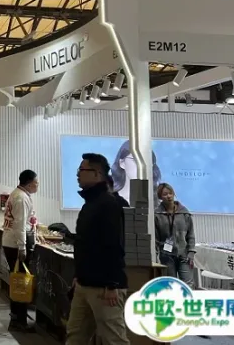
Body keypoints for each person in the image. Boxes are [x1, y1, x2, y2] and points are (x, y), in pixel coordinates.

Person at [66, 153, 128, 345]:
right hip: (84, 283)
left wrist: (112, 284)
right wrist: (78, 275)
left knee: (113, 339)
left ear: (97, 174)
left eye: (82, 170)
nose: (78, 174)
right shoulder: (90, 204)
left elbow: (114, 245)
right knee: (75, 336)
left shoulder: (109, 204)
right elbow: (85, 243)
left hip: (104, 288)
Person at [1, 170, 39, 333]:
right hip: (15, 245)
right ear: (29, 183)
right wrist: (22, 247)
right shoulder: (21, 198)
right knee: (21, 283)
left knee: (17, 280)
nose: (37, 185)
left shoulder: (17, 194)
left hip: (11, 242)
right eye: (36, 182)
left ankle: (17, 318)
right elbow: (20, 225)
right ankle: (19, 320)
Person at [154, 183, 196, 286]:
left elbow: (190, 234)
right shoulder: (157, 215)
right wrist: (155, 255)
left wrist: (191, 252)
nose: (168, 196)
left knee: (188, 284)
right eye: (165, 194)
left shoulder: (184, 213)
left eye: (170, 193)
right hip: (166, 255)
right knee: (170, 285)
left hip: (184, 254)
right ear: (160, 197)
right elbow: (155, 237)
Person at [110, 140, 160, 205]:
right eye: (135, 160)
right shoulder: (108, 199)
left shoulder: (158, 201)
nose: (142, 166)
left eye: (147, 160)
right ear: (122, 163)